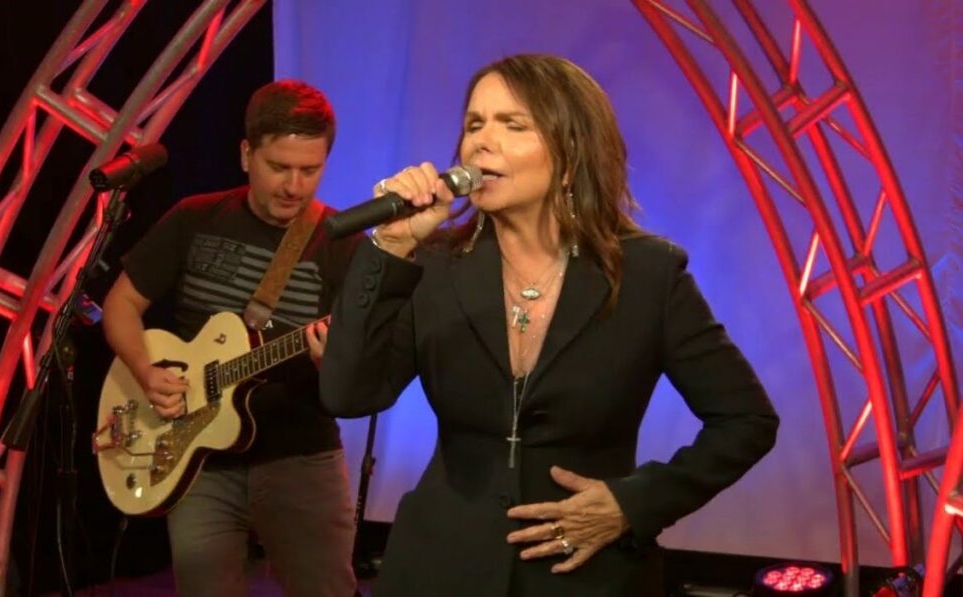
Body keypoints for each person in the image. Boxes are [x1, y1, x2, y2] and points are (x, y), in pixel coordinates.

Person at [319, 54, 779, 596]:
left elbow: (746, 420)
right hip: (441, 568)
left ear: (570, 154)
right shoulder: (435, 266)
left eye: (513, 125)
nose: (481, 143)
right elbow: (349, 393)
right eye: (474, 124)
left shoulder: (649, 275)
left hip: (586, 576)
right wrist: (391, 247)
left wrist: (632, 504)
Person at [102, 80, 359, 597]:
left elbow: (362, 364)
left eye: (310, 170)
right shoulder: (194, 218)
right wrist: (145, 372)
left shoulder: (344, 241)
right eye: (279, 167)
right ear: (246, 155)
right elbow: (120, 305)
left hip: (299, 457)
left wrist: (336, 361)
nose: (294, 186)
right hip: (198, 459)